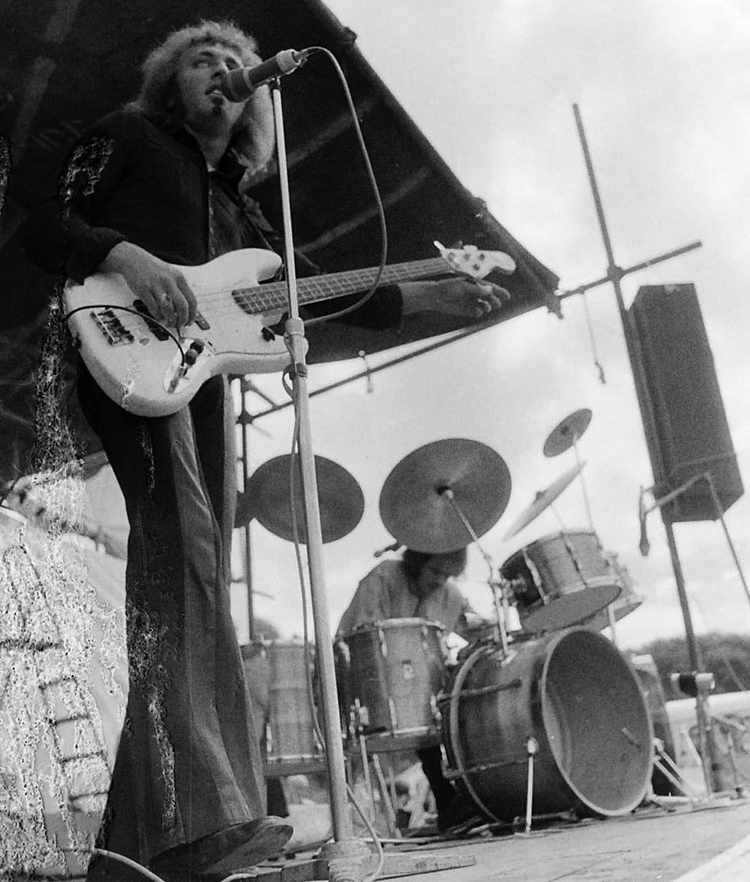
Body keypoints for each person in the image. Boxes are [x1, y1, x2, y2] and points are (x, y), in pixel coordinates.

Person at [21, 19, 505, 880]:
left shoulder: (247, 210)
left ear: (254, 102)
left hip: (198, 384)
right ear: (170, 81)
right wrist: (129, 257)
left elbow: (317, 293)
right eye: (202, 59)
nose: (223, 69)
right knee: (186, 557)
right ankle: (192, 824)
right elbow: (39, 216)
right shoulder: (128, 135)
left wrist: (434, 292)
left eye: (234, 61)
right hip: (122, 350)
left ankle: (146, 836)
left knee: (195, 569)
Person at [337, 547, 487, 831]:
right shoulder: (383, 577)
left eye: (447, 575)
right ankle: (357, 819)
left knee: (441, 702)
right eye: (435, 571)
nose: (439, 580)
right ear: (417, 561)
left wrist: (490, 629)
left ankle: (452, 800)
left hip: (417, 694)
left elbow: (475, 628)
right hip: (362, 682)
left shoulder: (450, 595)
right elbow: (364, 640)